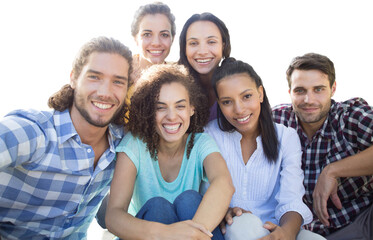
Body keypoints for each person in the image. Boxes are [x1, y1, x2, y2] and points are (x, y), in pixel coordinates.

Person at [0, 37, 132, 239]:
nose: (105, 92)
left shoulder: (123, 145)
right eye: (94, 77)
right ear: (73, 78)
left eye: (117, 82)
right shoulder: (35, 132)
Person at [105, 63, 234, 239]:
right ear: (149, 111)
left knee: (190, 200)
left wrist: (190, 236)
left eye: (180, 106)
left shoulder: (200, 142)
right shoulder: (133, 145)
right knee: (158, 207)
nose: (172, 116)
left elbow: (224, 183)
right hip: (151, 233)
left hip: (194, 228)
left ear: (191, 108)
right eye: (160, 107)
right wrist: (167, 234)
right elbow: (113, 216)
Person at [204, 58, 325, 240]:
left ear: (260, 94)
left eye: (246, 96)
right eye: (227, 102)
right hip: (234, 226)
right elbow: (206, 190)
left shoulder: (286, 137)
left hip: (275, 226)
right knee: (243, 225)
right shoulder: (210, 135)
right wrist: (224, 210)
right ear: (219, 105)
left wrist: (286, 233)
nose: (239, 109)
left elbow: (291, 198)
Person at [272, 53, 373, 239]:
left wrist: (333, 170)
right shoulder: (277, 121)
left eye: (318, 89)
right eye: (300, 90)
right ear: (289, 92)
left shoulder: (350, 116)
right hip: (301, 229)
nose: (309, 100)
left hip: (358, 220)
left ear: (333, 89)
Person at [96, 2, 176, 228]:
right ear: (135, 37)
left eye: (164, 35)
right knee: (106, 217)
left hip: (152, 163)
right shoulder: (122, 68)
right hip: (116, 158)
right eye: (147, 34)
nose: (157, 43)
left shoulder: (175, 75)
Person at [178, 12, 231, 121]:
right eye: (193, 43)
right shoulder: (175, 86)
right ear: (185, 48)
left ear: (223, 45)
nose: (202, 52)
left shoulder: (237, 81)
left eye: (211, 42)